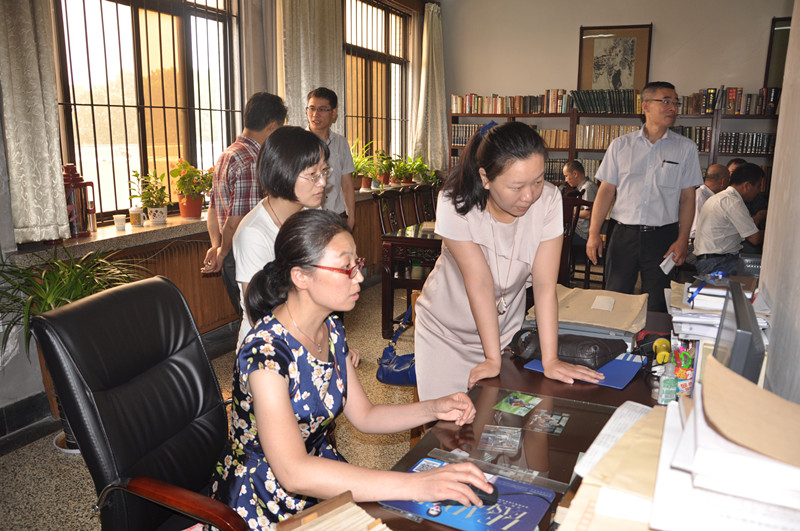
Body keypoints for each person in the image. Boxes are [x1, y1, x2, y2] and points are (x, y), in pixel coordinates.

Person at [211, 209, 491, 528]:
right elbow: (293, 472)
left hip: (319, 478)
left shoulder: (330, 328)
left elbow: (365, 416)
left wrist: (435, 408)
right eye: (346, 267)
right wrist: (417, 485)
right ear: (301, 277)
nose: (359, 276)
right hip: (263, 500)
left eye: (356, 264)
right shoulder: (265, 354)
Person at [414, 121, 604, 402]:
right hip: (445, 335)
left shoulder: (549, 201)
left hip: (504, 335)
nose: (529, 196)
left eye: (537, 181)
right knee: (447, 424)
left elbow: (544, 285)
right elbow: (480, 283)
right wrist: (491, 359)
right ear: (485, 178)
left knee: (499, 422)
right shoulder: (455, 203)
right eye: (516, 186)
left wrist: (550, 360)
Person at [586, 81, 703, 312]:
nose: (673, 108)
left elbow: (688, 198)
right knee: (614, 298)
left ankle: (651, 337)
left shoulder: (686, 148)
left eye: (676, 103)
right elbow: (606, 191)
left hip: (663, 238)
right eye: (666, 101)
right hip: (623, 235)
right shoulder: (621, 146)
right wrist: (593, 233)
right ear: (646, 105)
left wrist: (682, 240)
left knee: (658, 302)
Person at [232, 126, 329, 347]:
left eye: (324, 171)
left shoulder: (310, 213)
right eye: (312, 175)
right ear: (284, 172)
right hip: (267, 345)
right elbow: (259, 313)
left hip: (307, 330)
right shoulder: (254, 233)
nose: (322, 182)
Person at [204, 92, 288, 311]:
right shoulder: (252, 160)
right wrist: (223, 253)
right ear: (272, 126)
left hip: (229, 249)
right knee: (260, 315)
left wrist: (216, 245)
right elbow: (237, 220)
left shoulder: (227, 154)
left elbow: (213, 208)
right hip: (244, 252)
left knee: (247, 312)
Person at [693, 163, 765, 275]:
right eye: (758, 186)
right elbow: (754, 238)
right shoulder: (733, 202)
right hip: (719, 262)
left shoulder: (720, 197)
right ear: (747, 185)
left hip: (711, 260)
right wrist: (777, 235)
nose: (758, 191)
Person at [306, 87, 356, 229]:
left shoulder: (341, 142)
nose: (315, 114)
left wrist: (351, 216)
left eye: (322, 109)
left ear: (334, 113)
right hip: (309, 219)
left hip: (337, 217)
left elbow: (346, 183)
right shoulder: (298, 142)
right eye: (311, 108)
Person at [562, 161, 598, 247]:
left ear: (575, 174)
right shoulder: (583, 187)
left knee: (554, 238)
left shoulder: (587, 188)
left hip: (583, 235)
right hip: (579, 232)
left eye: (566, 176)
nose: (566, 180)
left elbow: (588, 214)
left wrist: (568, 211)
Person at [690, 164, 730, 240]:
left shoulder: (712, 196)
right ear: (723, 181)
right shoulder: (700, 197)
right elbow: (694, 231)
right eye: (728, 180)